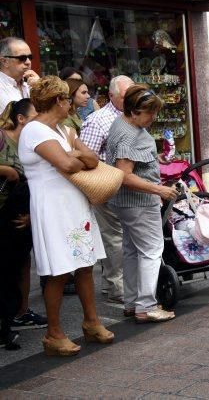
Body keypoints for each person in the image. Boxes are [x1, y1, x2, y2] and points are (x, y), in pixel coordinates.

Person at [19, 76, 112, 356]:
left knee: (85, 264)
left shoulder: (63, 129)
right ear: (58, 101)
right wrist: (74, 154)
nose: (70, 104)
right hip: (52, 209)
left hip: (74, 206)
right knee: (59, 271)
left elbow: (93, 159)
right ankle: (54, 334)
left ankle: (91, 322)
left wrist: (74, 153)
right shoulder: (35, 131)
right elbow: (67, 164)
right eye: (67, 100)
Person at [106, 85, 177, 323]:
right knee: (151, 251)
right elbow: (124, 175)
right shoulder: (130, 133)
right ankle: (146, 306)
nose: (153, 118)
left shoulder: (122, 123)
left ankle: (131, 302)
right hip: (138, 202)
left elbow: (131, 165)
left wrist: (153, 160)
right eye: (149, 113)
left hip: (125, 203)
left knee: (132, 250)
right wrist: (159, 189)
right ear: (134, 112)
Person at [80, 75, 133, 303]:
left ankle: (118, 281)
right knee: (115, 237)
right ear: (111, 96)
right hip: (106, 186)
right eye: (125, 97)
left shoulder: (133, 115)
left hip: (129, 185)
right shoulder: (98, 120)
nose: (131, 100)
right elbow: (86, 158)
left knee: (125, 236)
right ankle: (116, 287)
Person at [0, 99, 40, 350]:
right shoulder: (3, 138)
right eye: (35, 114)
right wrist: (8, 171)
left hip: (15, 214)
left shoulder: (30, 143)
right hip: (2, 212)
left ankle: (10, 320)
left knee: (12, 268)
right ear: (21, 118)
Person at [0, 37, 40, 112]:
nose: (28, 62)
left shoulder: (31, 85)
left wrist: (41, 88)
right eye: (22, 58)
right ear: (4, 61)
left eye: (30, 57)